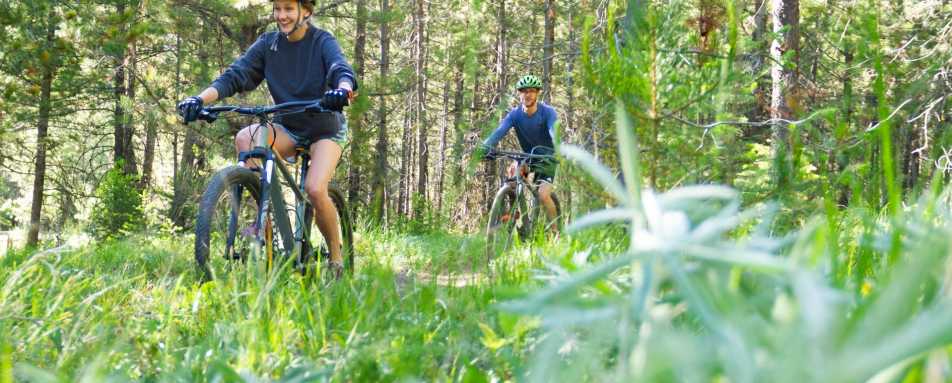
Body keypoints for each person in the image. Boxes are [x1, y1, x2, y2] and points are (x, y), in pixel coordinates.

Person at [177, 0, 357, 277]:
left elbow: (340, 70)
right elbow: (235, 76)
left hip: (325, 128)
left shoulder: (322, 41)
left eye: (289, 9)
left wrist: (342, 91)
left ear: (305, 11)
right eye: (277, 9)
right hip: (288, 126)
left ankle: (336, 258)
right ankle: (263, 226)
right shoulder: (269, 44)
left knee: (315, 188)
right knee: (246, 139)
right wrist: (198, 99)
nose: (281, 16)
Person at [481, 74, 559, 230]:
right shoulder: (515, 115)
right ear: (519, 94)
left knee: (543, 195)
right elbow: (499, 131)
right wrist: (485, 147)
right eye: (523, 91)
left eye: (531, 91)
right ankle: (517, 218)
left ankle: (556, 232)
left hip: (547, 159)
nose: (527, 94)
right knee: (513, 180)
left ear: (537, 93)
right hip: (528, 159)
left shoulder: (548, 112)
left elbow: (554, 132)